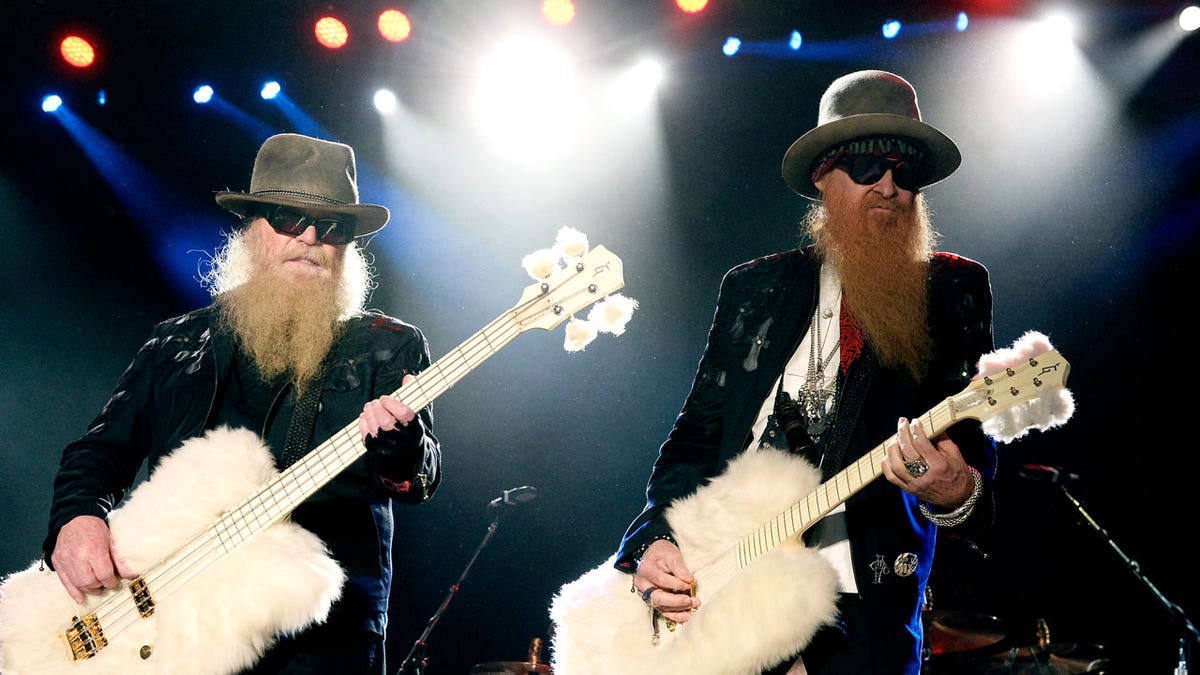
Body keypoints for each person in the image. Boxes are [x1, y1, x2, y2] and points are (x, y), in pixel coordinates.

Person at [616, 70, 997, 674]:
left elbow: (972, 442)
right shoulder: (753, 289)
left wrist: (959, 494)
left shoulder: (951, 289)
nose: (891, 187)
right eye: (869, 166)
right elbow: (696, 437)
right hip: (723, 589)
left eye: (907, 171)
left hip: (858, 599)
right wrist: (654, 539)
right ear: (823, 176)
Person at [41, 133, 442, 674]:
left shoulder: (387, 344)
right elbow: (99, 452)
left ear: (347, 246)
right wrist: (77, 519)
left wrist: (401, 446)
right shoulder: (175, 343)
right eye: (286, 218)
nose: (309, 237)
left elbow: (419, 478)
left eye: (332, 227)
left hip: (320, 634)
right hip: (176, 621)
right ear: (252, 229)